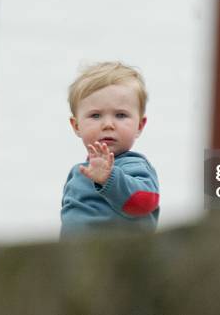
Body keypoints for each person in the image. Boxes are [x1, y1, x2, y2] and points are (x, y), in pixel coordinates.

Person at [60, 61, 160, 238]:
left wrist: (110, 178)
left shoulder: (134, 166)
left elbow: (145, 202)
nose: (108, 124)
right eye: (95, 115)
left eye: (120, 115)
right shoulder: (78, 172)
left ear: (139, 125)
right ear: (76, 125)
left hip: (117, 259)